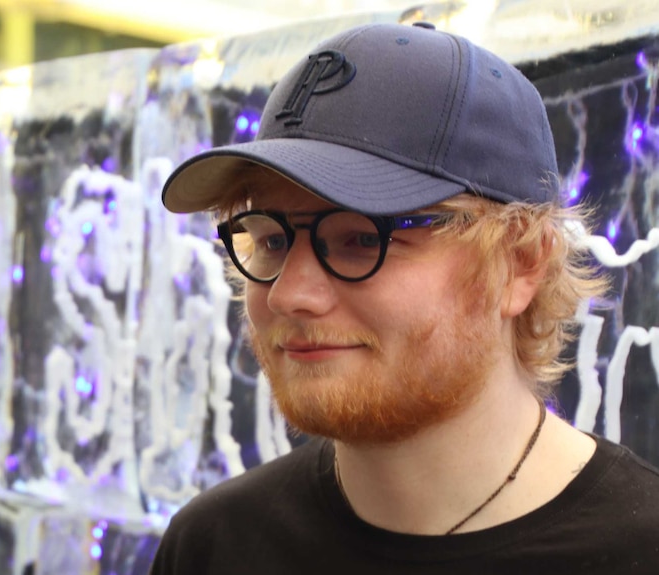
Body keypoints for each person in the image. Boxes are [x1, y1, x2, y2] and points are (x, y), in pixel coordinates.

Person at [150, 22, 659, 574]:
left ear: (520, 263)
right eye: (272, 240)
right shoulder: (214, 545)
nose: (290, 295)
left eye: (363, 239)